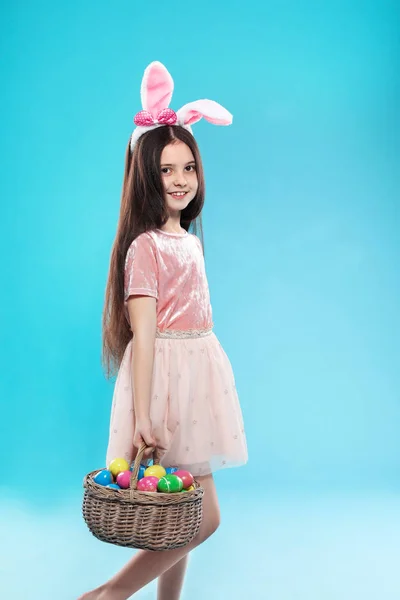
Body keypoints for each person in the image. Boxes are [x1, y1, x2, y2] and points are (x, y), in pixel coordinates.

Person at [79, 61, 248, 600]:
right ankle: (110, 595)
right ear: (146, 175)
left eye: (188, 168)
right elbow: (144, 335)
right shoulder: (145, 247)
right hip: (168, 385)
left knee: (184, 512)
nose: (180, 181)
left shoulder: (190, 243)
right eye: (167, 170)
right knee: (204, 515)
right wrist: (146, 413)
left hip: (197, 381)